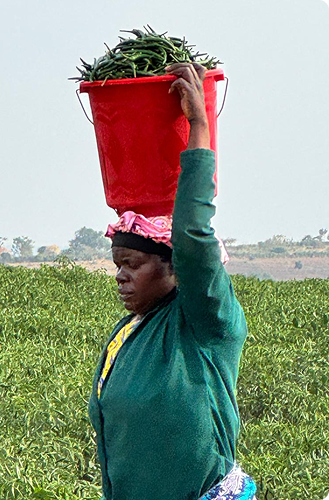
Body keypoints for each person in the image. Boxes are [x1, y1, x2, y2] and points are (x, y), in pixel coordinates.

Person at [88, 63, 257, 500]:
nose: (120, 275)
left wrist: (198, 125)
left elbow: (193, 235)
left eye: (132, 263)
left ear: (174, 266)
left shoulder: (205, 322)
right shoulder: (129, 334)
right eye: (116, 264)